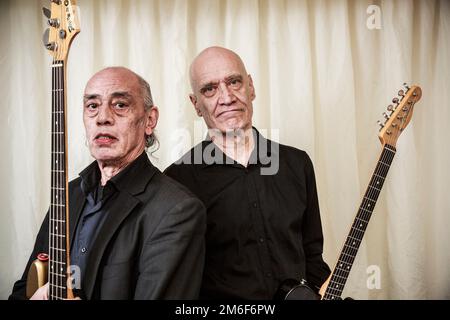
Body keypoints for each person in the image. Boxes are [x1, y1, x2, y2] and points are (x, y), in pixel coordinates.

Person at [9, 67, 206, 300]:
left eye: (120, 105)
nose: (103, 118)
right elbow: (24, 290)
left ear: (149, 120)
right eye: (92, 106)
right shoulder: (67, 195)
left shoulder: (177, 210)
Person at [164, 47, 331, 299]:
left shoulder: (297, 163)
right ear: (196, 104)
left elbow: (312, 256)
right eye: (209, 89)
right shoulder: (177, 181)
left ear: (250, 87)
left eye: (234, 82)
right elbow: (180, 283)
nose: (227, 97)